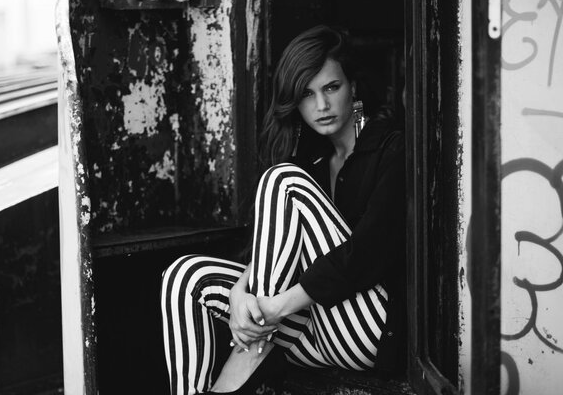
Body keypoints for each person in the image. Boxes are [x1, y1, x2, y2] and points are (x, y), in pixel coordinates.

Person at [161, 25, 406, 395]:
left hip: (365, 330)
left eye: (331, 88)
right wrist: (239, 294)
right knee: (183, 277)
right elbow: (275, 253)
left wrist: (273, 310)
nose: (321, 105)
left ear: (352, 87)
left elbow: (367, 254)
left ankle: (246, 360)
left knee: (283, 180)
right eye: (307, 93)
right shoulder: (314, 160)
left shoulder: (391, 147)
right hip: (309, 332)